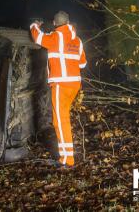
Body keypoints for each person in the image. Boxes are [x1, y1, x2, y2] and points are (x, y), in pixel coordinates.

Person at [30, 11, 87, 167]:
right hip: (74, 85)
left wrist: (34, 24)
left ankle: (67, 160)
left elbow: (37, 37)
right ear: (68, 22)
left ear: (55, 23)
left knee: (60, 122)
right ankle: (66, 155)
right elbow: (82, 64)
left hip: (61, 84)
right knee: (64, 118)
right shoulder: (78, 40)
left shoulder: (55, 37)